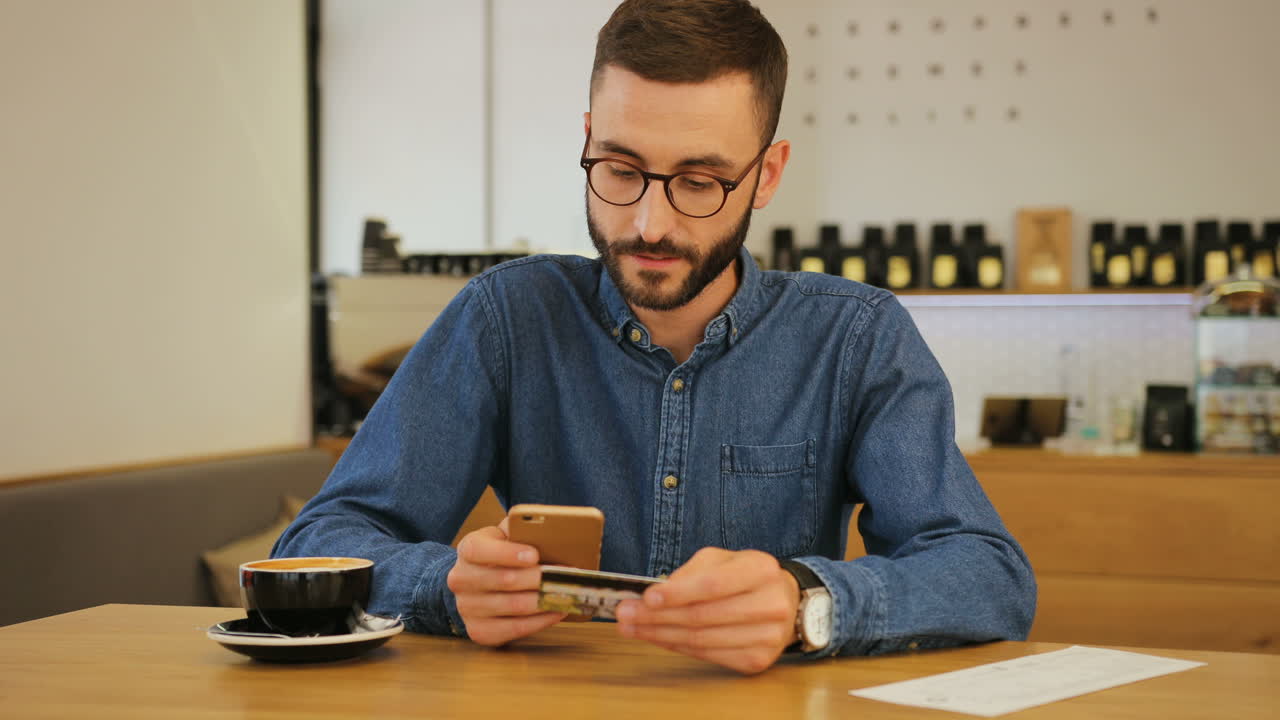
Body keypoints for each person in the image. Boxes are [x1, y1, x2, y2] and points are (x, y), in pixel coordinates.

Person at [276, 0, 1035, 675]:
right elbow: (314, 546)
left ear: (766, 176)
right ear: (587, 137)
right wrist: (445, 587)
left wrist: (806, 603)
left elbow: (990, 576)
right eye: (620, 167)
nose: (650, 223)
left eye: (700, 182)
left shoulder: (855, 338)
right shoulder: (506, 319)